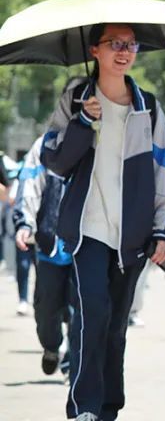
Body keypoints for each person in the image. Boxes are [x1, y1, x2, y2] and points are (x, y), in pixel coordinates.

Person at [40, 23, 165, 421]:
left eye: (130, 45)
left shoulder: (148, 107)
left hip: (133, 238)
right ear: (94, 51)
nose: (124, 52)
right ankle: (84, 406)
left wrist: (163, 230)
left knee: (116, 326)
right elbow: (53, 160)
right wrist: (82, 124)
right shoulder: (76, 97)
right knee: (93, 314)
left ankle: (108, 409)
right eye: (114, 44)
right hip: (88, 231)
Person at [13, 133, 74, 376]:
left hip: (87, 245)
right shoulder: (45, 144)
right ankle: (51, 347)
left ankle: (73, 360)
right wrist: (25, 223)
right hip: (50, 244)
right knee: (46, 309)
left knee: (80, 309)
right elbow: (30, 185)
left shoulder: (101, 139)